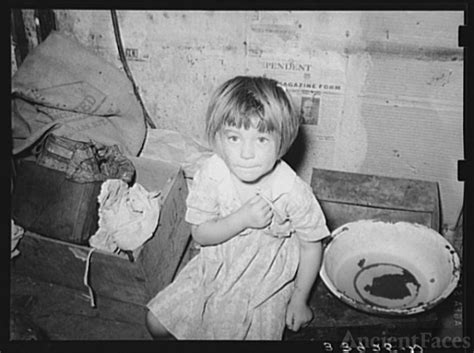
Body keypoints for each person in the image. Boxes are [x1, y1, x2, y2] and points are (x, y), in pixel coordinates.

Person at [145, 76, 329, 340]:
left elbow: (312, 245)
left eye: (261, 139)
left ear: (282, 141)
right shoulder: (212, 173)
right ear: (218, 138)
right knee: (155, 322)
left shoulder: (291, 190)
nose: (246, 153)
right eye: (234, 137)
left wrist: (299, 300)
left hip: (266, 281)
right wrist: (242, 219)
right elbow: (200, 233)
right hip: (216, 265)